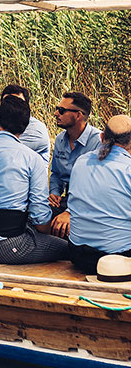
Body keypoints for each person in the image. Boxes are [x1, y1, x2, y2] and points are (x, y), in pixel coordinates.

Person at [0, 96, 67, 265]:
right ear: (24, 127)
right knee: (67, 248)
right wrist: (45, 232)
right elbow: (40, 215)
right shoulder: (32, 159)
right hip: (10, 247)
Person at [67, 116, 131, 273]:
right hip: (117, 258)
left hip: (79, 256)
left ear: (102, 137)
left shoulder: (81, 162)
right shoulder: (128, 168)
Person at [47, 92, 101, 238]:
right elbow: (57, 174)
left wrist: (71, 211)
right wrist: (54, 193)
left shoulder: (98, 142)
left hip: (89, 204)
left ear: (78, 115)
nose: (56, 113)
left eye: (62, 110)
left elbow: (97, 187)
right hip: (67, 198)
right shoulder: (60, 139)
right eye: (57, 108)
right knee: (37, 215)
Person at [0, 84, 50, 163]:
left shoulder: (36, 129)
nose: (12, 106)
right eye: (7, 102)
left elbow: (6, 150)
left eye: (18, 102)